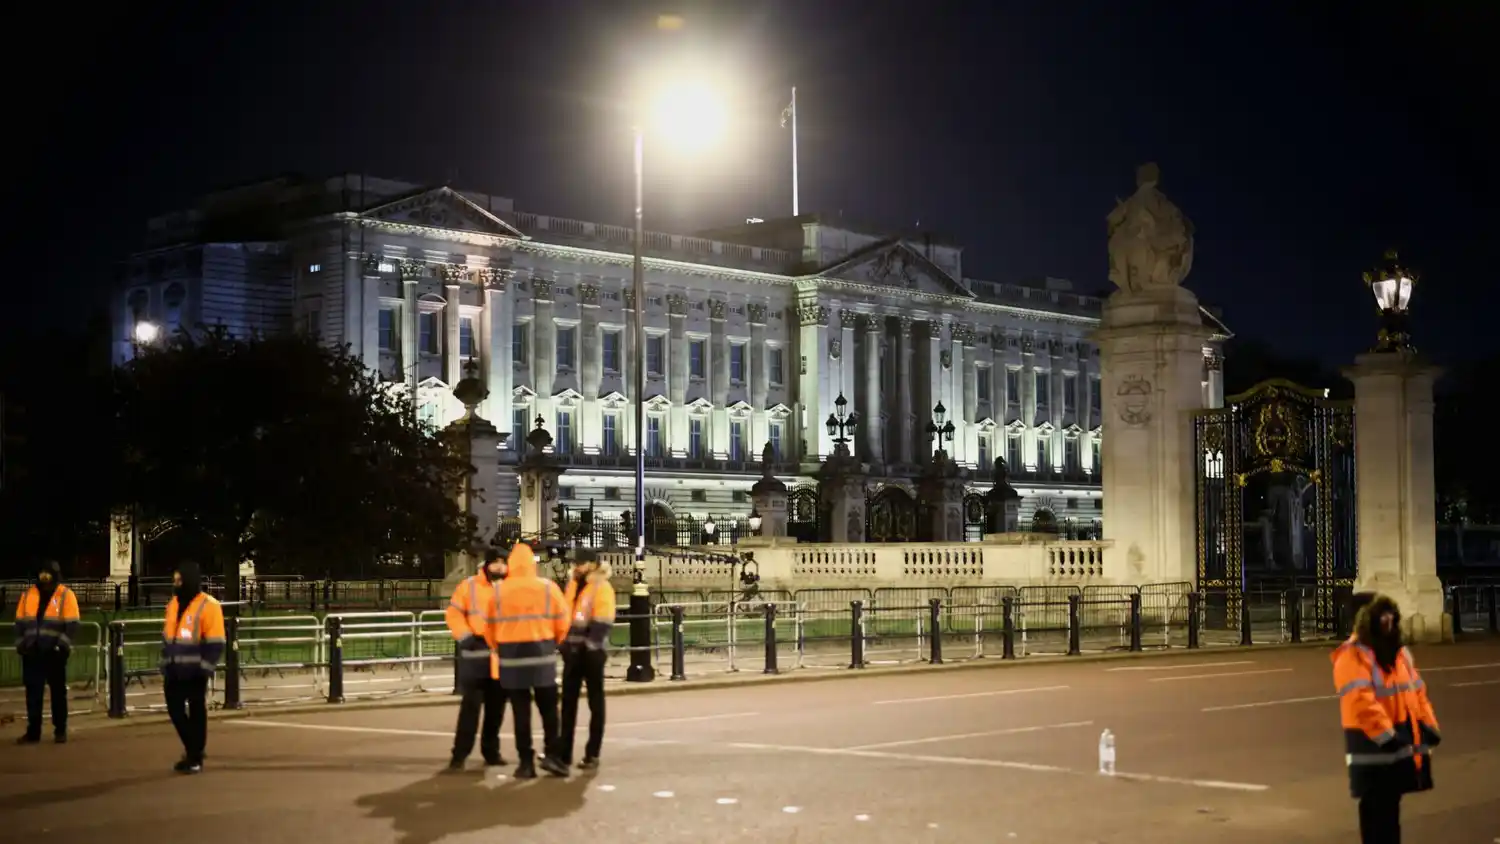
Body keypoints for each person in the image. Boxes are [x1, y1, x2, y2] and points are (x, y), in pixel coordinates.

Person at [1331, 592, 1441, 844]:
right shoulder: (1352, 655)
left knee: (1390, 816)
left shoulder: (1397, 652)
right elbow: (1362, 703)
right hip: (1373, 750)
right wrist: (1388, 737)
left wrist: (1428, 726)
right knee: (1376, 818)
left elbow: (1416, 692)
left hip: (1399, 747)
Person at [492, 541, 570, 779]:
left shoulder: (498, 591)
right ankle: (553, 756)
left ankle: (526, 762)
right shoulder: (548, 588)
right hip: (542, 656)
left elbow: (489, 627)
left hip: (511, 659)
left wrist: (500, 646)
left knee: (520, 712)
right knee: (549, 710)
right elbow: (563, 620)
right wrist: (553, 641)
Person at [445, 549, 508, 770]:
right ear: (487, 564)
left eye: (503, 563)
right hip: (475, 655)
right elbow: (453, 614)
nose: (500, 567)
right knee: (470, 709)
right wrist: (466, 637)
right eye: (496, 563)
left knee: (496, 709)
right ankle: (459, 754)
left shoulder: (511, 588)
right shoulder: (469, 586)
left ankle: (491, 752)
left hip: (500, 657)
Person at [160, 562, 225, 774]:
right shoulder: (172, 604)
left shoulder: (209, 605)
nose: (176, 584)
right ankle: (194, 749)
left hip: (195, 670)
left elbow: (216, 643)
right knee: (175, 710)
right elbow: (168, 637)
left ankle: (194, 755)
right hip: (173, 669)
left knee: (197, 711)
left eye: (179, 580)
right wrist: (165, 661)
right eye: (174, 580)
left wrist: (205, 669)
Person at [13, 560, 80, 744]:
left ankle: (60, 730)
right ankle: (33, 732)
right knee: (33, 695)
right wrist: (21, 645)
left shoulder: (65, 595)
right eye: (42, 573)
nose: (45, 577)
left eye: (48, 573)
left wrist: (61, 646)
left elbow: (72, 625)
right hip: (32, 653)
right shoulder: (28, 595)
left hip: (54, 654)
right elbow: (19, 623)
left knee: (58, 693)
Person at [559, 552, 615, 770]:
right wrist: (564, 645)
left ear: (592, 564)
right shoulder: (573, 585)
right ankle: (563, 754)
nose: (577, 567)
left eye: (581, 563)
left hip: (591, 653)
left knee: (595, 703)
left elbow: (603, 620)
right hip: (572, 651)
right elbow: (566, 617)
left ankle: (592, 754)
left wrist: (589, 647)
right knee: (567, 704)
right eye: (575, 563)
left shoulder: (601, 586)